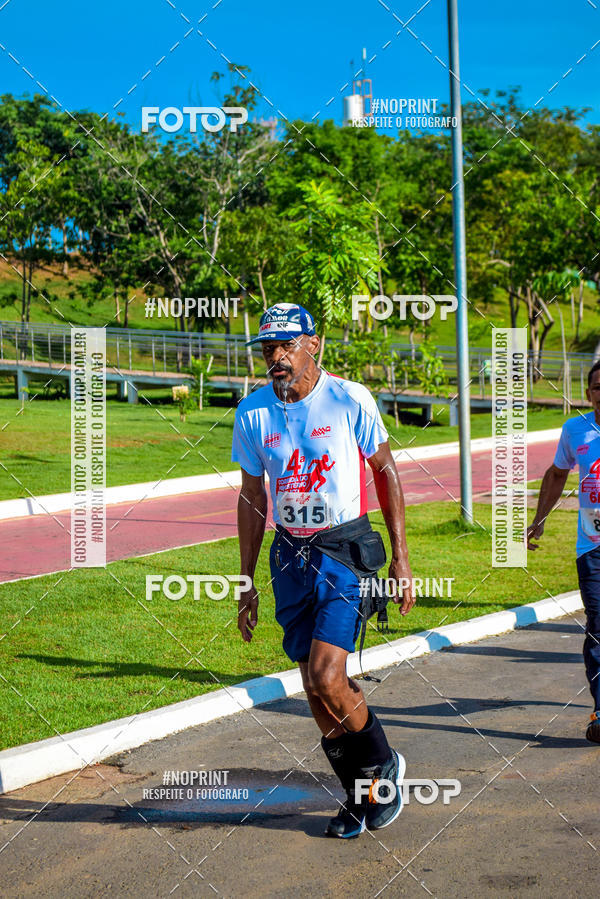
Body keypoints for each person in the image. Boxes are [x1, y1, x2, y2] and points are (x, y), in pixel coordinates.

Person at [231, 302, 415, 838]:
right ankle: (359, 794)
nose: (277, 358)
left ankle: (383, 771)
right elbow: (251, 498)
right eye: (268, 349)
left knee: (326, 675)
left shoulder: (348, 398)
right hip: (289, 554)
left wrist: (401, 557)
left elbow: (385, 469)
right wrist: (246, 581)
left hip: (343, 550)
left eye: (287, 345)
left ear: (315, 343)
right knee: (313, 688)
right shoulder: (253, 412)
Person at [527, 360, 600, 744]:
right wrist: (539, 519)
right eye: (597, 387)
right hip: (592, 547)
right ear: (589, 393)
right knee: (599, 627)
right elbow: (557, 474)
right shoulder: (576, 430)